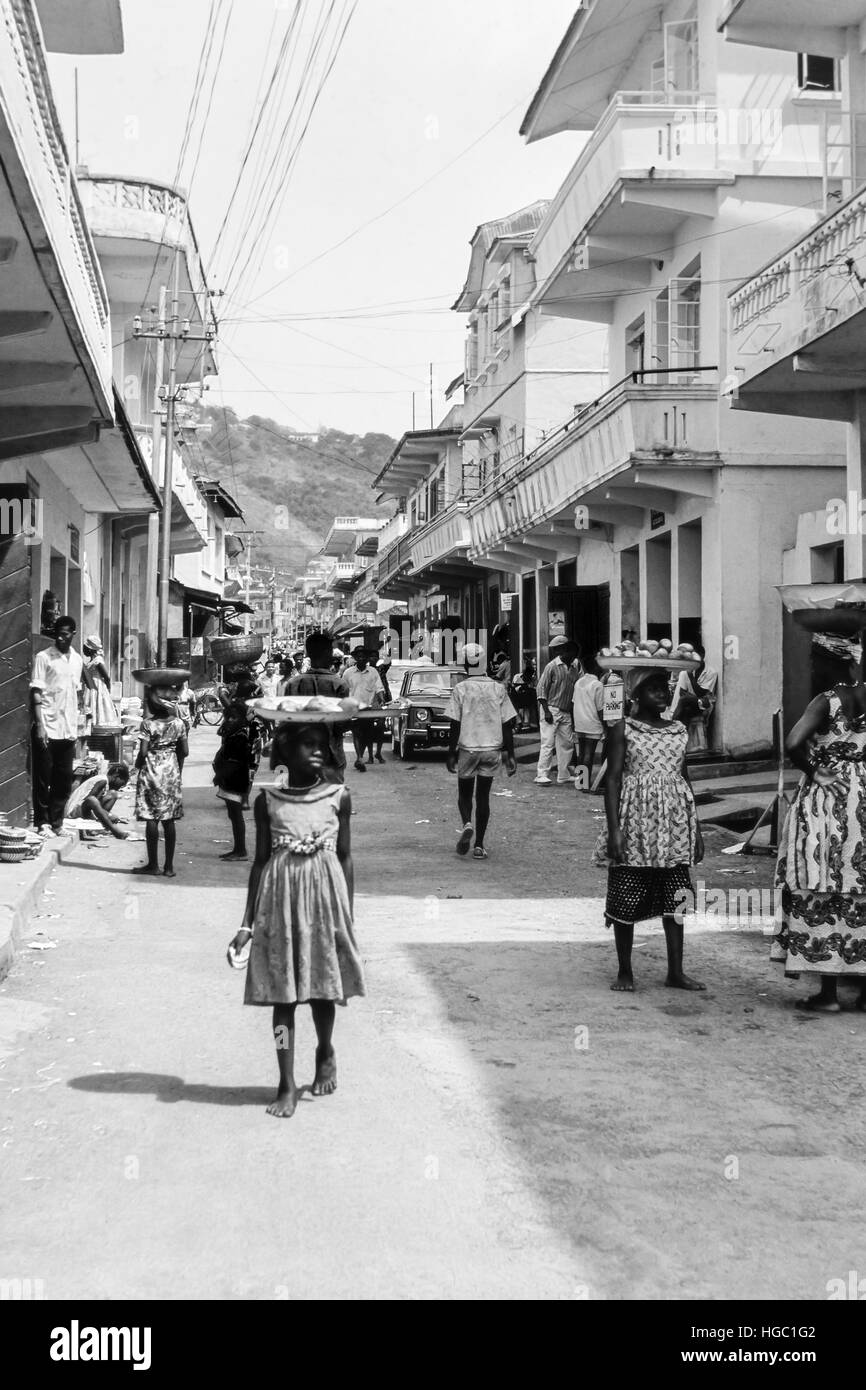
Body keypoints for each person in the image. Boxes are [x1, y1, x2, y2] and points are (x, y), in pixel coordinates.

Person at [227, 720, 365, 1119]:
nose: (318, 751)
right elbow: (259, 863)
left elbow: (345, 857)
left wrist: (348, 916)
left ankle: (325, 1049)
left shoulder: (340, 796)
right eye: (307, 745)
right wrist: (246, 925)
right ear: (284, 753)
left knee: (323, 988)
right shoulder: (267, 802)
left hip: (324, 902)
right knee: (282, 996)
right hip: (279, 904)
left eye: (322, 744)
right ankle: (286, 1082)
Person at [595, 667, 705, 993]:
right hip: (636, 823)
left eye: (665, 687)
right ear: (636, 695)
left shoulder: (679, 731)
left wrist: (695, 828)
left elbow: (685, 780)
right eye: (653, 688)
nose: (662, 692)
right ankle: (625, 971)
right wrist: (615, 830)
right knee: (626, 896)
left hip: (673, 825)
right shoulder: (623, 729)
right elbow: (612, 778)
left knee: (676, 898)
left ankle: (676, 971)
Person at [773, 632, 866, 1012]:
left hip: (829, 799)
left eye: (814, 661)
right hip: (863, 795)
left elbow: (793, 743)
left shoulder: (827, 700)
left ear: (827, 661)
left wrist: (816, 771)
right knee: (859, 885)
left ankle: (828, 994)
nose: (811, 668)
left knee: (821, 883)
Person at [445, 642, 517, 860]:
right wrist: (511, 755)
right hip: (492, 750)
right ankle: (479, 845)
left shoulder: (461, 689)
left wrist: (451, 752)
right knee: (483, 797)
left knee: (465, 795)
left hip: (468, 749)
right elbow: (507, 724)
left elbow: (455, 724)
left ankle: (467, 823)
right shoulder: (498, 688)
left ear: (466, 665)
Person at [30, 615, 84, 835]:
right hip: (48, 726)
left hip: (68, 729)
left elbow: (76, 695)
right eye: (58, 634)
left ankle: (57, 822)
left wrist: (78, 727)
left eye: (66, 634)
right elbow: (36, 692)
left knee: (63, 779)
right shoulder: (44, 657)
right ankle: (42, 822)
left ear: (73, 634)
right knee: (43, 777)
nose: (62, 638)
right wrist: (40, 725)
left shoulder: (78, 660)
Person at [132, 685, 188, 877]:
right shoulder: (179, 724)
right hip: (171, 770)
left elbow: (143, 752)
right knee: (169, 819)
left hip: (151, 770)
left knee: (151, 817)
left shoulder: (148, 724)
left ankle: (153, 865)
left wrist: (137, 766)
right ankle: (169, 867)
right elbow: (185, 751)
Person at [282, 632, 350, 782]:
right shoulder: (339, 684)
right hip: (331, 756)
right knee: (331, 800)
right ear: (327, 653)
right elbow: (341, 725)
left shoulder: (293, 684)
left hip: (300, 756)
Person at [213, 673, 264, 861]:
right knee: (232, 814)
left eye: (233, 718)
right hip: (233, 776)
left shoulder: (243, 733)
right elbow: (222, 728)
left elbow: (237, 761)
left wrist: (220, 775)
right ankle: (238, 848)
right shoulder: (239, 725)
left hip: (236, 777)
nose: (229, 720)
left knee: (235, 814)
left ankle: (240, 850)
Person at [534, 637, 580, 786]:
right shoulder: (551, 666)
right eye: (571, 654)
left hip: (566, 710)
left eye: (575, 655)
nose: (573, 657)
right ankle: (541, 774)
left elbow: (580, 684)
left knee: (566, 744)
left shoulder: (576, 665)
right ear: (564, 652)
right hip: (551, 708)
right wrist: (546, 711)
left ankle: (564, 774)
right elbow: (541, 689)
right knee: (547, 743)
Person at [344, 647, 386, 771]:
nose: (361, 658)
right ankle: (359, 758)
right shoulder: (348, 673)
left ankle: (363, 756)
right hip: (354, 708)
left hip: (368, 708)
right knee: (356, 733)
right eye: (359, 656)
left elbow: (379, 688)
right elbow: (343, 690)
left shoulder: (373, 672)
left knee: (367, 734)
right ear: (355, 658)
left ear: (366, 658)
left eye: (363, 656)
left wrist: (381, 699)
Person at [671, 644, 718, 756]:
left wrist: (690, 675)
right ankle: (682, 742)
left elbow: (701, 693)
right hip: (690, 704)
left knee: (685, 700)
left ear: (702, 656)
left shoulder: (711, 672)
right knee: (686, 707)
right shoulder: (684, 672)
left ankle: (672, 726)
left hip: (704, 705)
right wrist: (690, 697)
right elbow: (682, 693)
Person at [64, 762, 130, 839]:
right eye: (122, 783)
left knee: (113, 794)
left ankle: (101, 823)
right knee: (93, 800)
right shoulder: (103, 780)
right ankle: (113, 829)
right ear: (116, 776)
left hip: (83, 809)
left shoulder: (105, 782)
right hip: (73, 810)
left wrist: (112, 816)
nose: (120, 786)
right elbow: (89, 800)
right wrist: (109, 815)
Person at [572, 657, 605, 790]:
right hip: (592, 722)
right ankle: (584, 784)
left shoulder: (578, 682)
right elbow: (600, 708)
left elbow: (573, 702)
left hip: (579, 722)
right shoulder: (598, 685)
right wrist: (605, 726)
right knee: (588, 754)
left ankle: (580, 782)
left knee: (582, 753)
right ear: (597, 668)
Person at [510, 657, 537, 731]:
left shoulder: (532, 679)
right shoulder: (517, 677)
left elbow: (534, 689)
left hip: (526, 699)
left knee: (527, 706)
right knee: (515, 705)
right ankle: (519, 722)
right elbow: (514, 689)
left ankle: (526, 723)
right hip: (517, 698)